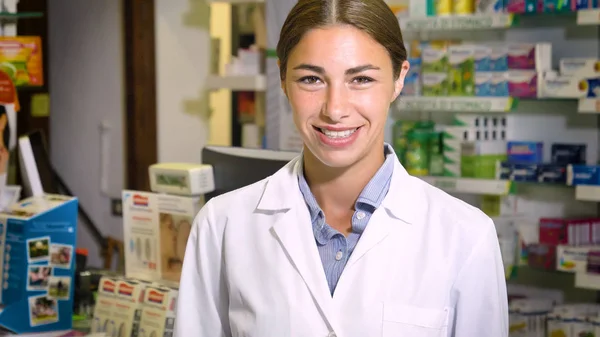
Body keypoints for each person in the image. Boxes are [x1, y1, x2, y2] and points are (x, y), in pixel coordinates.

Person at [174, 0, 508, 335]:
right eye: (311, 79)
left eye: (361, 79)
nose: (335, 109)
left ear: (398, 80)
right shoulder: (222, 225)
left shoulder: (466, 236)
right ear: (283, 81)